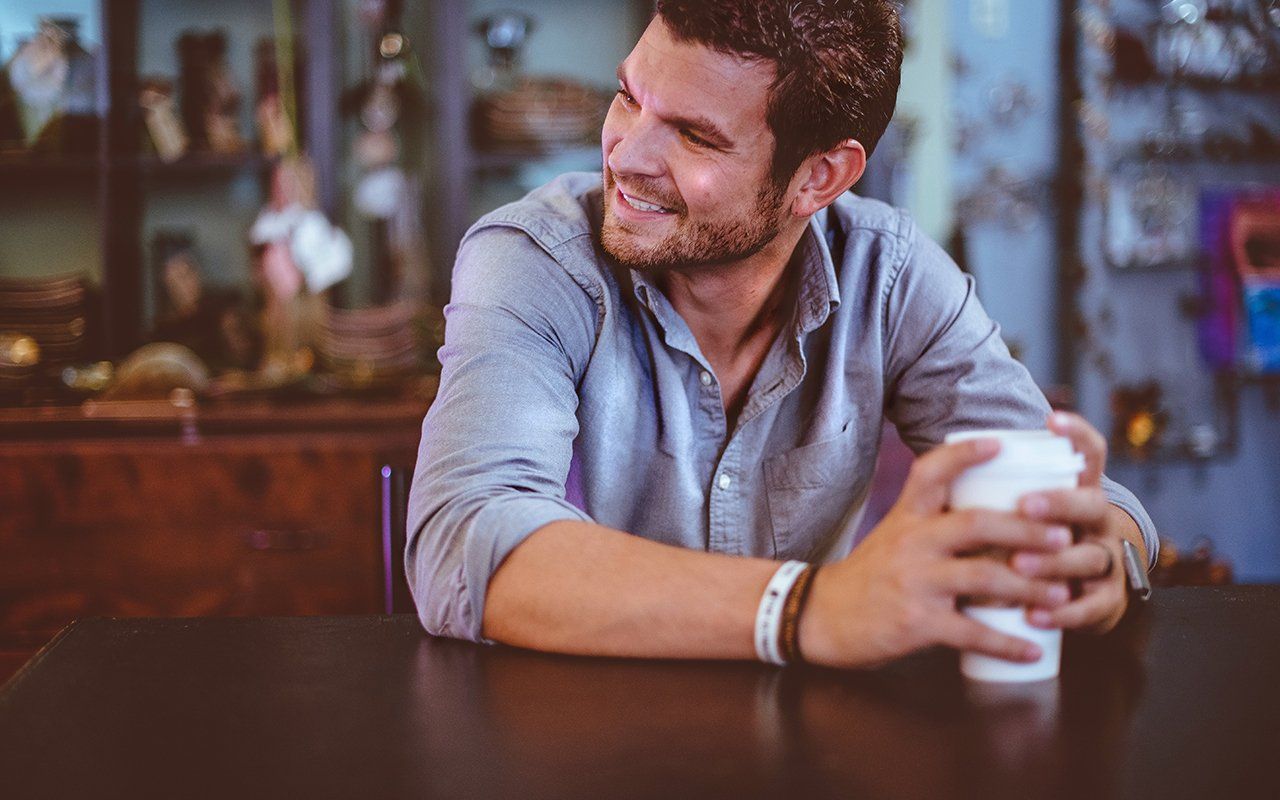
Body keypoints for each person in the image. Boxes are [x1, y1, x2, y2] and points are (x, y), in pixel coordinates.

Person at [407, 0, 1157, 669]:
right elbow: (464, 543)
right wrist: (809, 609)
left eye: (695, 137)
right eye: (628, 97)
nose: (625, 156)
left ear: (819, 178)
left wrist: (1101, 554)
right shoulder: (534, 258)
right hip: (576, 744)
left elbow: (1092, 503)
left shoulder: (890, 275)